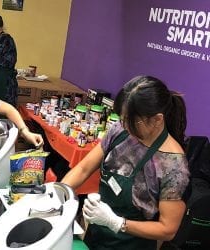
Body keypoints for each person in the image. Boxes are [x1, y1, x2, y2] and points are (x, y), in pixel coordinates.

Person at [61, 76, 190, 250]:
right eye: (122, 118)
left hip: (131, 244)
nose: (125, 125)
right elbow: (84, 169)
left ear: (158, 119)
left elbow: (167, 229)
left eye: (131, 121)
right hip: (97, 234)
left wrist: (117, 223)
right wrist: (59, 194)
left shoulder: (173, 167)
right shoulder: (120, 131)